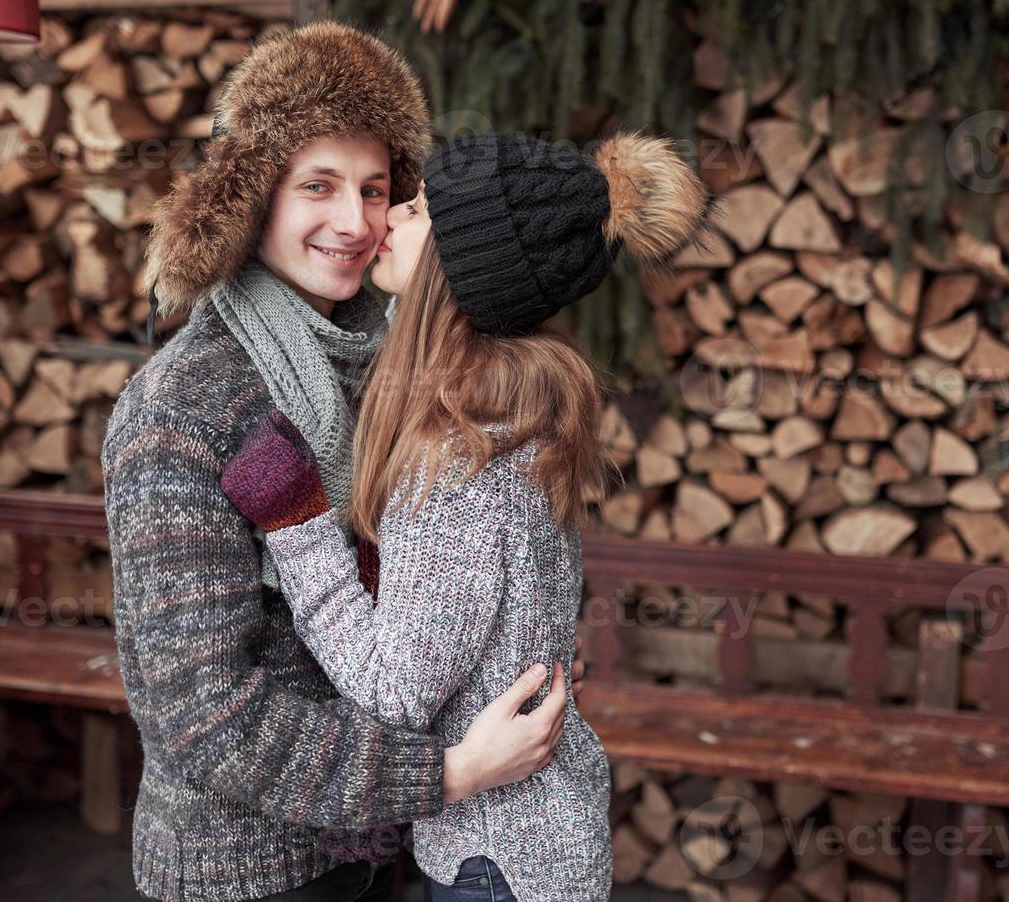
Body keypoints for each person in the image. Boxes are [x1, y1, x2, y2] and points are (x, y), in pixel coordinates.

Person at [100, 22, 569, 902]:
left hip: (377, 846)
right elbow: (199, 712)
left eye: (376, 189)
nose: (355, 223)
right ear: (251, 197)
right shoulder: (182, 407)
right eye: (317, 186)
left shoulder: (401, 368)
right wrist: (450, 776)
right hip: (248, 869)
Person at [220, 130, 713, 901]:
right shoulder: (508, 422)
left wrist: (298, 522)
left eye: (414, 209)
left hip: (498, 861)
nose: (385, 221)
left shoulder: (461, 461)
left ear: (460, 264)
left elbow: (391, 692)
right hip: (526, 844)